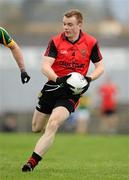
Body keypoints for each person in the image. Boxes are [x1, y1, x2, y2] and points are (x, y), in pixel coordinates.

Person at [22, 9, 104, 172]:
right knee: (36, 128)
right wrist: (59, 79)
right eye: (64, 24)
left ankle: (31, 162)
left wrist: (89, 79)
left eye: (70, 24)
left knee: (53, 124)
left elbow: (100, 66)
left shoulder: (91, 42)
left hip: (70, 94)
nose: (66, 28)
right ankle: (46, 136)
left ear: (79, 25)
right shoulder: (55, 41)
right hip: (52, 87)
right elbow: (45, 66)